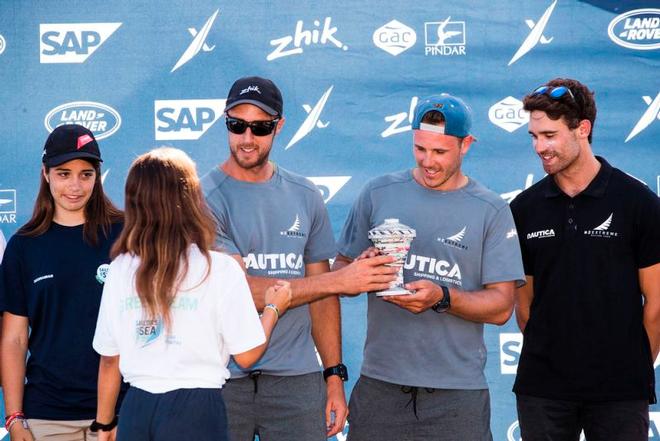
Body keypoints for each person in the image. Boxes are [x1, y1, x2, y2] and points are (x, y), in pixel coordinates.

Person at [201, 76, 397, 441]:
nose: (246, 138)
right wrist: (340, 280)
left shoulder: (305, 195)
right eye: (236, 125)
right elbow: (236, 290)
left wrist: (334, 377)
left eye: (259, 127)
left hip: (296, 379)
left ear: (279, 127)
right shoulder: (203, 196)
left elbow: (322, 300)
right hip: (223, 378)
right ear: (225, 121)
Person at [333, 93, 525, 441]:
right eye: (420, 149)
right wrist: (359, 272)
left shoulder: (491, 210)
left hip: (457, 395)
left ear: (466, 144)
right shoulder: (378, 193)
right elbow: (340, 269)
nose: (428, 161)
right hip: (382, 387)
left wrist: (443, 297)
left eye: (440, 152)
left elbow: (501, 307)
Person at [91, 147, 290, 441]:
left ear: (134, 203)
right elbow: (247, 355)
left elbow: (110, 359)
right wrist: (273, 308)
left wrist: (104, 424)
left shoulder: (119, 269)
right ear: (191, 199)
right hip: (197, 411)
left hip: (136, 409)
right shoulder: (219, 269)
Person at [510, 77, 660, 441]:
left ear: (583, 129)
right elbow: (524, 305)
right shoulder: (524, 208)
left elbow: (655, 305)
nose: (539, 147)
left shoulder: (638, 203)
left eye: (549, 135)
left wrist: (629, 364)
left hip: (619, 391)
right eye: (533, 136)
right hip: (542, 389)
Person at [0, 124, 123, 441]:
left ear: (98, 176)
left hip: (120, 412)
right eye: (64, 173)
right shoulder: (24, 246)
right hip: (47, 415)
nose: (75, 185)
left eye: (86, 174)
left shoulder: (125, 235)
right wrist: (14, 416)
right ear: (45, 173)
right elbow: (14, 339)